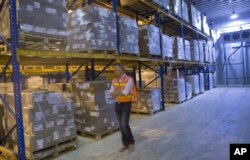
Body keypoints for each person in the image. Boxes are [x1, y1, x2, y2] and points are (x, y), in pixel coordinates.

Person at [110, 64, 137, 152]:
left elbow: (125, 93)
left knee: (124, 125)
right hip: (117, 104)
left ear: (121, 70)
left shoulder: (129, 79)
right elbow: (111, 93)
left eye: (116, 70)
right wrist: (119, 92)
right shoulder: (114, 80)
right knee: (121, 126)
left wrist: (116, 92)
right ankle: (125, 144)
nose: (114, 71)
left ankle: (131, 141)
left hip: (126, 104)